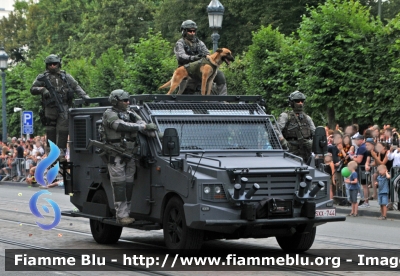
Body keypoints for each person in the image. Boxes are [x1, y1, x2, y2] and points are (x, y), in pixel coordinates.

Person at [102, 89, 157, 225]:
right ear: (115, 101)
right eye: (125, 100)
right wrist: (141, 127)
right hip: (116, 155)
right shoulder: (109, 114)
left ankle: (127, 213)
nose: (128, 102)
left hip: (130, 155)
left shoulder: (130, 113)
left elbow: (142, 124)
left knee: (129, 185)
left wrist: (150, 131)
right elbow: (120, 125)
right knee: (119, 186)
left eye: (128, 100)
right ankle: (121, 216)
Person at [30, 54, 90, 161]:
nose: (52, 66)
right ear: (47, 65)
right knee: (51, 130)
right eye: (50, 64)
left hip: (63, 106)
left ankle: (61, 152)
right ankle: (51, 152)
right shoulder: (42, 77)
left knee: (63, 130)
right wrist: (42, 90)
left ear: (59, 64)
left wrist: (85, 97)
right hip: (50, 107)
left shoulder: (65, 76)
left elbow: (76, 87)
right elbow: (33, 89)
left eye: (55, 64)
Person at [174, 20, 227, 95]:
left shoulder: (199, 43)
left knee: (219, 74)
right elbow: (181, 56)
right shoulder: (180, 43)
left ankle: (223, 98)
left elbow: (207, 53)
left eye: (194, 31)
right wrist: (194, 58)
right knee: (184, 91)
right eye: (190, 31)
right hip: (186, 70)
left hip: (200, 69)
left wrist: (209, 58)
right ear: (184, 31)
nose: (192, 33)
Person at [276, 91, 316, 163]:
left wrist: (312, 143)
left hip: (306, 151)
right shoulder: (285, 116)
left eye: (302, 101)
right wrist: (283, 141)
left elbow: (315, 132)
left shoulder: (307, 118)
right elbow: (276, 129)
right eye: (297, 101)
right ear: (292, 103)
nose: (300, 103)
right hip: (291, 151)